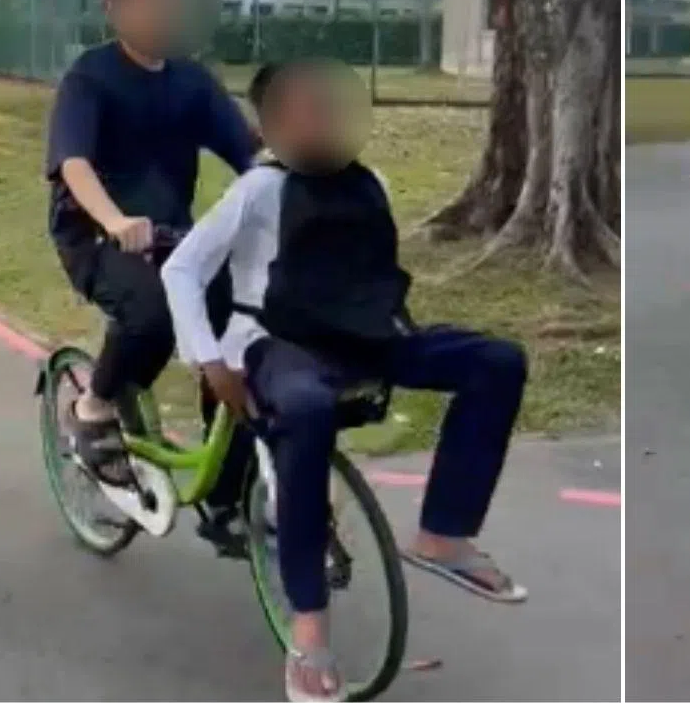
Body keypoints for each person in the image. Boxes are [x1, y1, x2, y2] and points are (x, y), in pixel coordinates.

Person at [161, 59, 528, 702]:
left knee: (498, 361)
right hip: (278, 342)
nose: (319, 123)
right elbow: (181, 270)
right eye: (300, 113)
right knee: (305, 411)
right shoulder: (260, 190)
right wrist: (211, 361)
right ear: (271, 128)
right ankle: (309, 627)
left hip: (366, 336)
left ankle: (443, 534)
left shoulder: (371, 184)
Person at [45, 0, 257, 509]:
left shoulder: (192, 81)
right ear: (113, 7)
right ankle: (93, 406)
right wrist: (114, 219)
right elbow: (74, 163)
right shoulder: (90, 77)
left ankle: (229, 496)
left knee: (239, 325)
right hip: (95, 236)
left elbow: (250, 154)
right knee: (152, 314)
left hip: (175, 237)